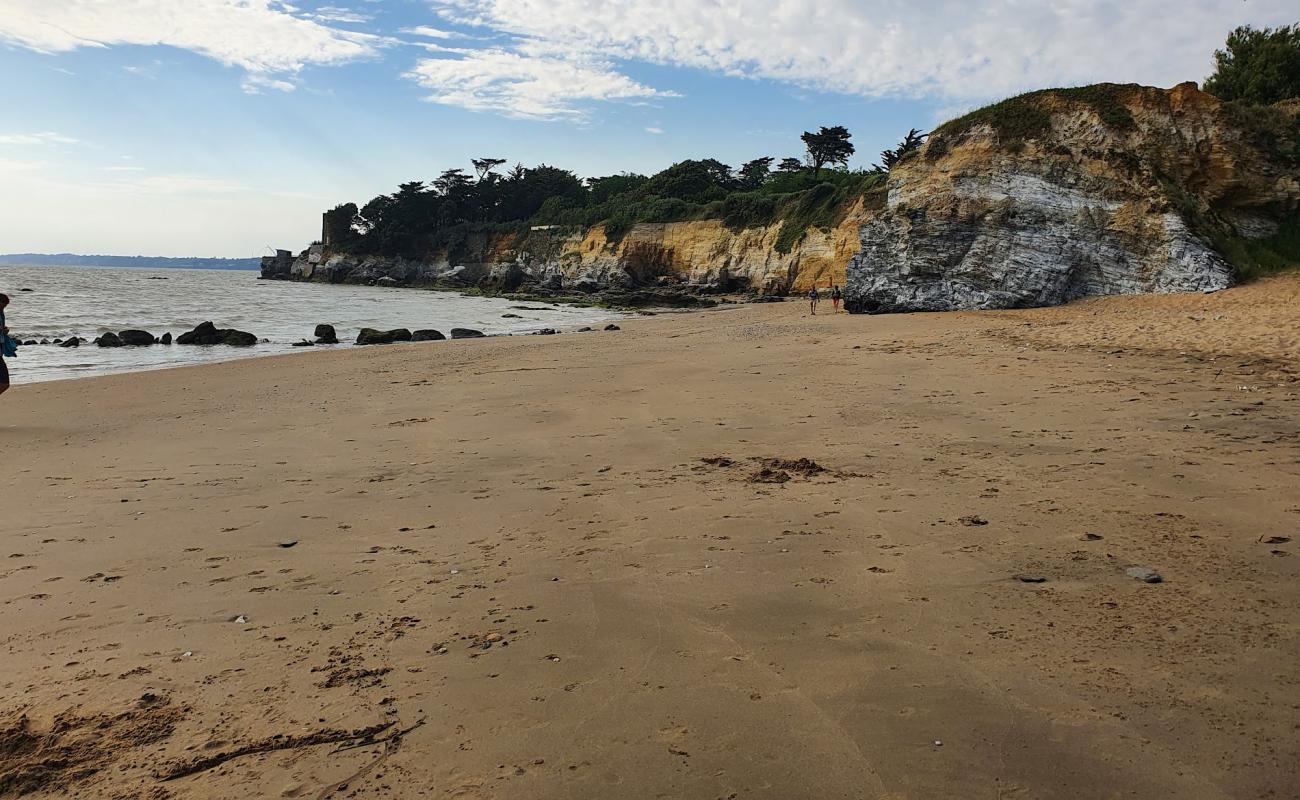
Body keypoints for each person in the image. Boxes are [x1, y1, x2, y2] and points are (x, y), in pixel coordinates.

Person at [0, 293, 12, 396]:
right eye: (3, 305)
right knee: (4, 383)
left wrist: (5, 329)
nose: (4, 308)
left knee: (5, 383)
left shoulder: (1, 314)